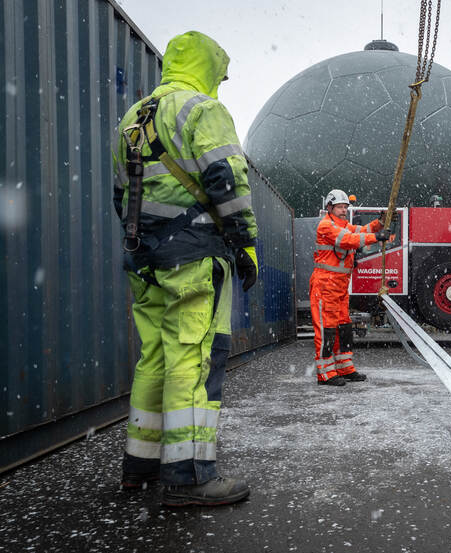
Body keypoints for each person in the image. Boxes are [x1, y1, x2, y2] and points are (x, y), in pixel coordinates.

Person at [113, 31, 258, 506]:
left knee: (153, 358)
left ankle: (140, 466)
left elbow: (122, 196)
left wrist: (148, 241)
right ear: (208, 66)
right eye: (221, 71)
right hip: (193, 254)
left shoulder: (133, 118)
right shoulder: (202, 109)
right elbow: (226, 179)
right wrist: (244, 243)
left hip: (144, 258)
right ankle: (190, 476)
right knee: (192, 359)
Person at [310, 189, 391, 386]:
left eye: (345, 207)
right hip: (325, 285)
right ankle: (325, 374)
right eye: (340, 207)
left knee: (343, 328)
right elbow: (348, 240)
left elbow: (360, 232)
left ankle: (344, 368)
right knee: (327, 329)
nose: (343, 210)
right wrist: (377, 237)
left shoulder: (344, 225)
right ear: (329, 208)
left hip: (339, 286)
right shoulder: (325, 226)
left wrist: (379, 223)